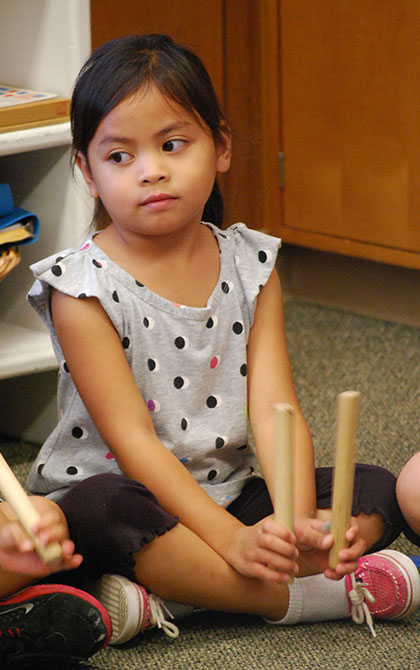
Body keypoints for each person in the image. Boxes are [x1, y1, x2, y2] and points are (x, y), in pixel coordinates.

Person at [1, 34, 419, 663]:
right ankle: (296, 597)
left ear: (220, 147)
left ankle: (181, 596)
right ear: (86, 171)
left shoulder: (252, 263)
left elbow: (276, 409)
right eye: (120, 156)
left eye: (173, 144)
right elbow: (135, 444)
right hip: (129, 492)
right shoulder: (80, 287)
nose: (152, 169)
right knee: (103, 511)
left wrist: (291, 518)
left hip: (232, 486)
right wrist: (232, 541)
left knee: (376, 488)